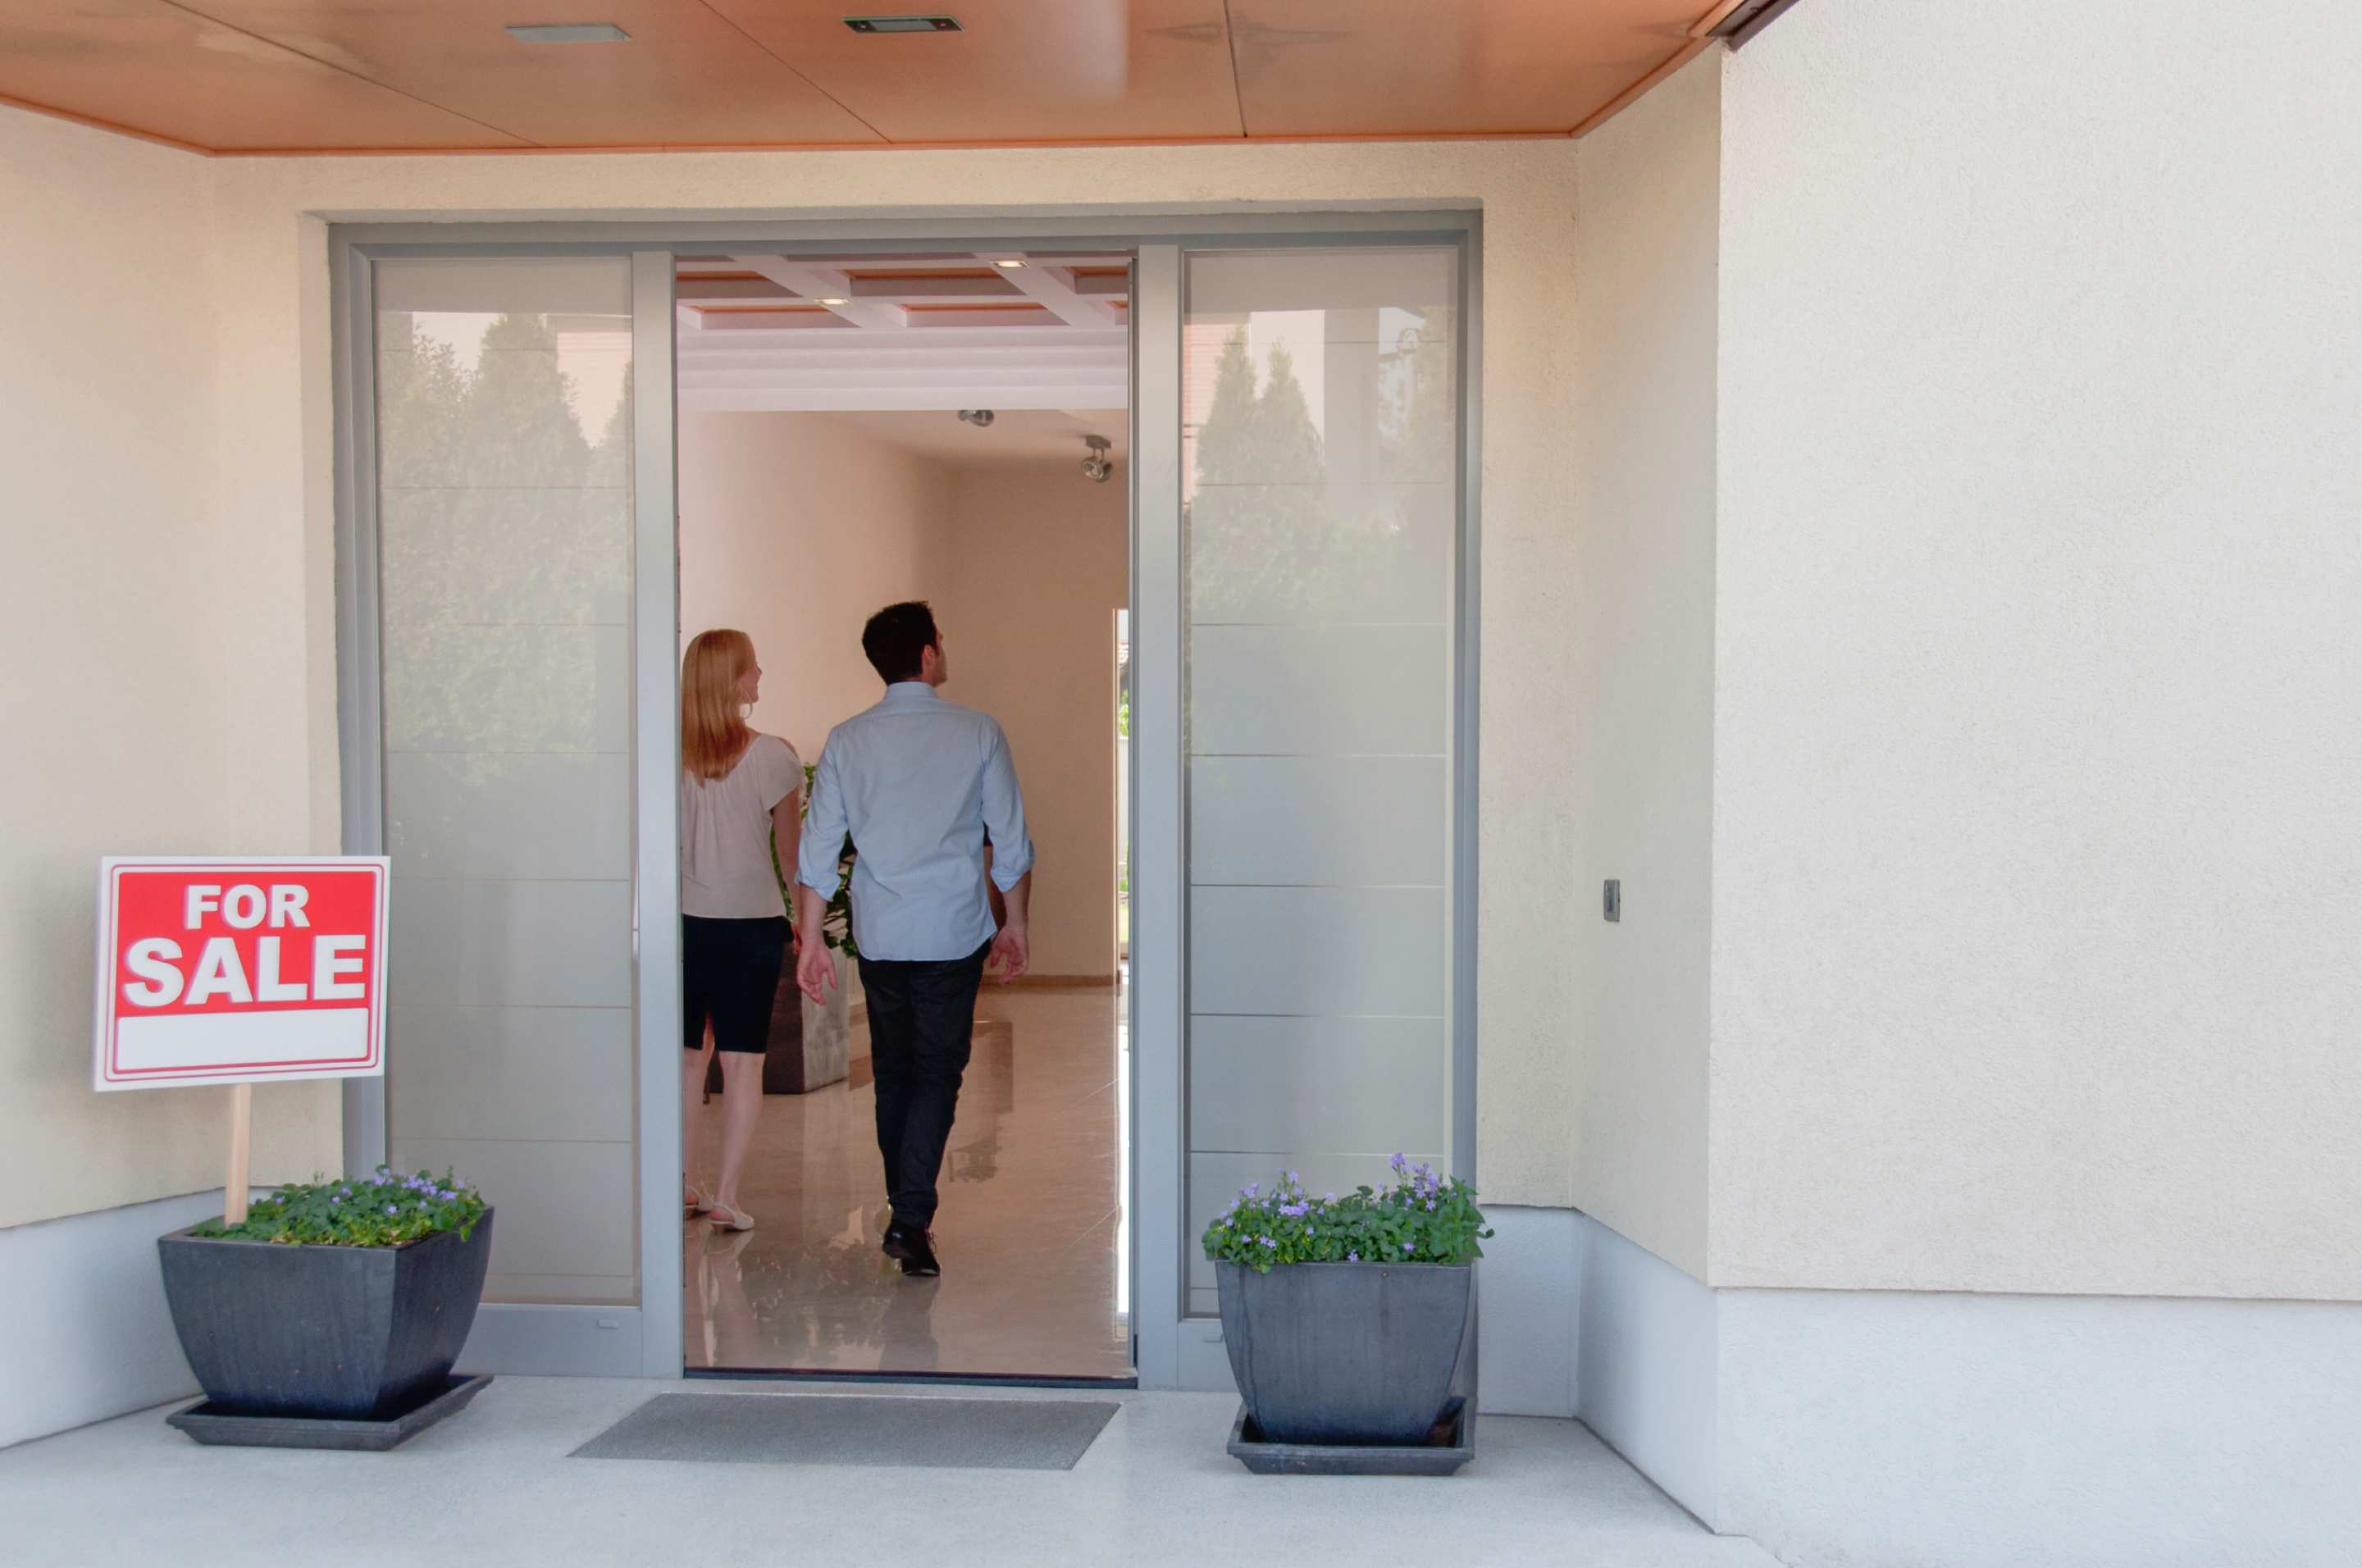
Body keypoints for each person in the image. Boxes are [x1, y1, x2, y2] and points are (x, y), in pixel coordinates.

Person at [796, 601, 1033, 1279]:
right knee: (937, 1071)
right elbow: (1009, 844)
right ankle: (909, 1216)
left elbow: (817, 854)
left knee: (894, 1075)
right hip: (952, 929)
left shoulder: (847, 739)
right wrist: (1014, 923)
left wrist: (811, 941)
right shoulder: (978, 732)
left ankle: (908, 1212)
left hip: (881, 932)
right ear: (928, 655)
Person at [678, 628, 801, 1233]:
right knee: (742, 1063)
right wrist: (807, 926)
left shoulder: (666, 758)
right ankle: (725, 1195)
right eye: (752, 668)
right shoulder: (775, 757)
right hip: (750, 927)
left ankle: (684, 1184)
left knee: (684, 1062)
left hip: (683, 925)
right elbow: (791, 859)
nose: (760, 675)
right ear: (732, 681)